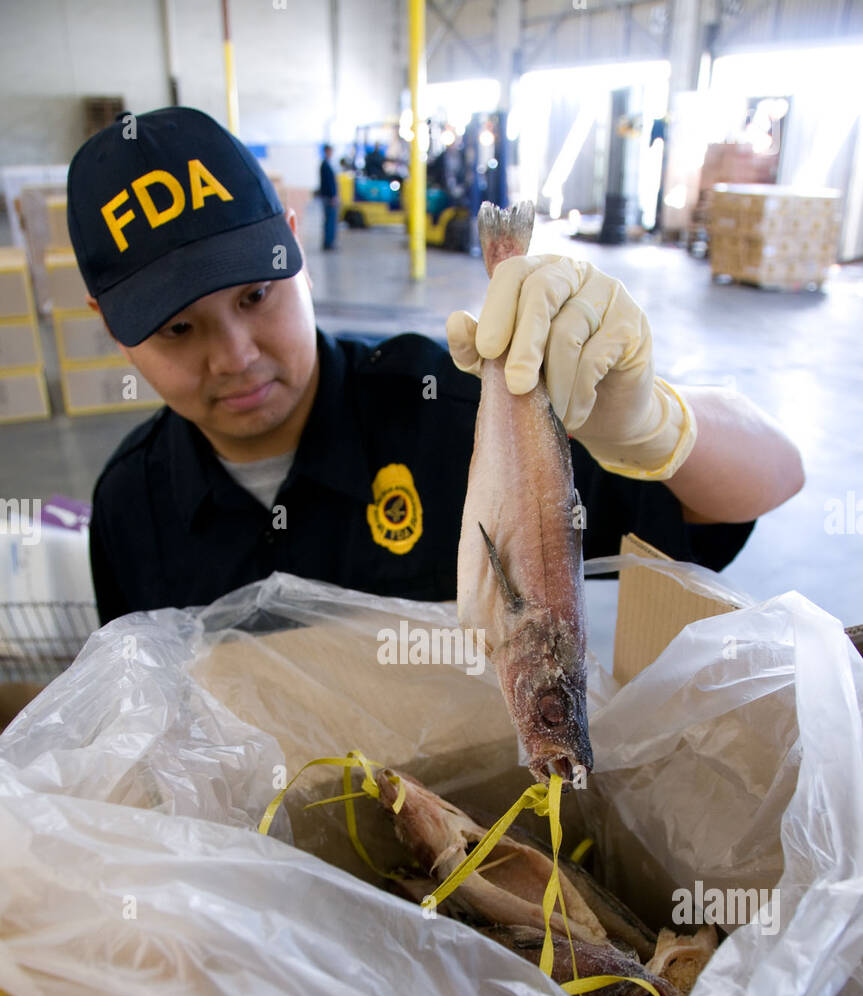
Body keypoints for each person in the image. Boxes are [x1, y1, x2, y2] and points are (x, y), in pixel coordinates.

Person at [65, 108, 803, 626]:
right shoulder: (132, 507)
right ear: (113, 331)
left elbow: (768, 480)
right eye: (177, 328)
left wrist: (653, 422)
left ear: (296, 248)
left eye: (257, 296)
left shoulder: (456, 415)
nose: (235, 355)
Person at [318, 142, 338, 250]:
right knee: (330, 220)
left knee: (330, 220)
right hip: (329, 197)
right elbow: (328, 183)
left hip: (328, 196)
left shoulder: (327, 164)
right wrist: (332, 196)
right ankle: (328, 243)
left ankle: (329, 242)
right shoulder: (325, 165)